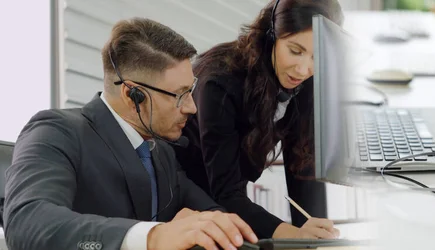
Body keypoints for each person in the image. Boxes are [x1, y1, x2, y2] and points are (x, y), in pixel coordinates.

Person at [3, 17, 258, 250]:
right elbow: (28, 222)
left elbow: (209, 213)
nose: (192, 107)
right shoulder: (56, 131)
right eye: (179, 95)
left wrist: (213, 224)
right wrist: (154, 236)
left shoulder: (162, 153)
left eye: (191, 91)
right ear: (132, 95)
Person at [174, 0, 344, 240]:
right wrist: (293, 235)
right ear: (271, 34)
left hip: (231, 199)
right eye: (295, 51)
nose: (304, 69)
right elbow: (226, 194)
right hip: (184, 196)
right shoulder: (219, 83)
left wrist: (316, 235)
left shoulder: (304, 77)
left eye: (318, 56)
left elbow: (302, 162)